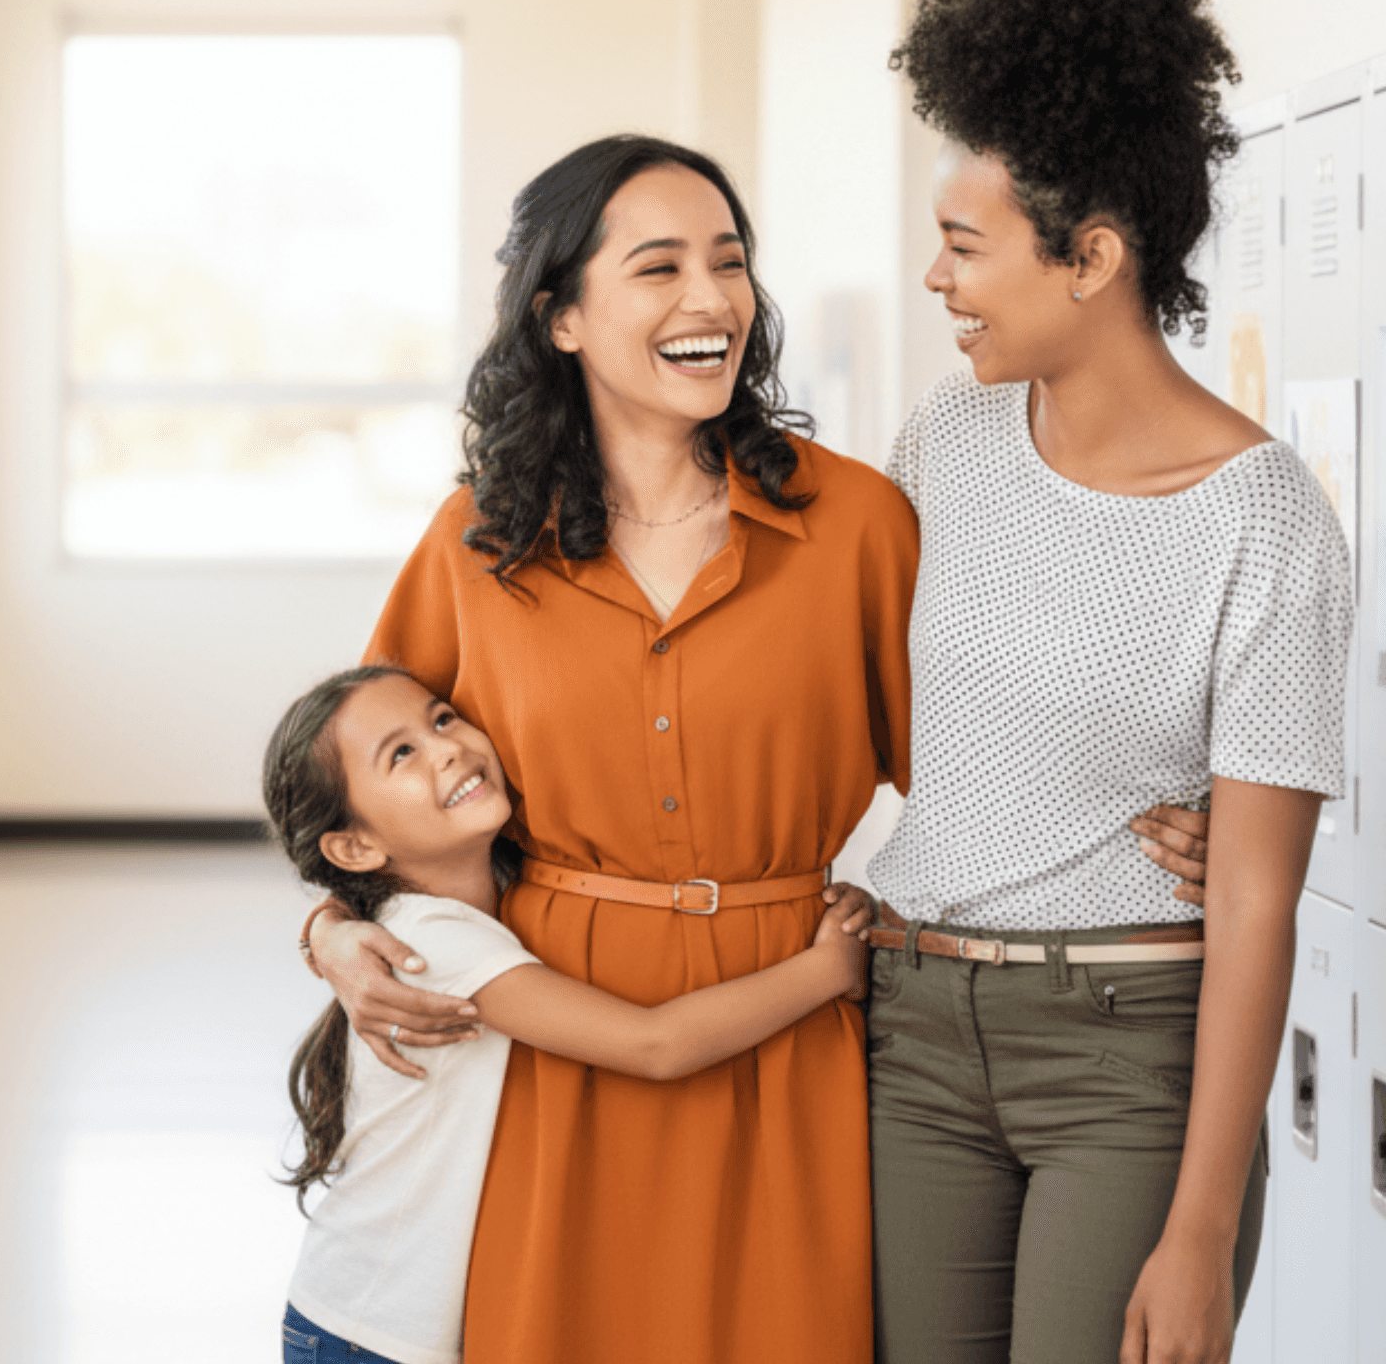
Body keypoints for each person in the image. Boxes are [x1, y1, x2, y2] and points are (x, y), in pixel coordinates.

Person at [302, 132, 1214, 1363]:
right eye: (658, 267)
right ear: (560, 317)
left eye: (729, 263)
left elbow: (981, 744)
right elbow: (366, 784)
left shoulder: (854, 523)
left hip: (797, 1026)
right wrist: (330, 932)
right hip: (565, 1046)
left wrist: (1169, 821)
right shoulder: (478, 541)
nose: (709, 299)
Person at [865, 0, 1353, 1364]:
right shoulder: (941, 442)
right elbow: (899, 728)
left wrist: (1201, 1232)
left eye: (964, 248)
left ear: (1092, 257)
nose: (939, 283)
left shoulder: (1262, 518)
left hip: (1128, 1054)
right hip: (915, 1031)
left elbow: (1258, 907)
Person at [266, 664, 875, 1364]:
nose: (449, 749)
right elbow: (655, 1045)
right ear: (354, 847)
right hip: (367, 1332)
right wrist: (826, 968)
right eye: (401, 754)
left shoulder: (495, 897)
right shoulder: (432, 945)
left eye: (442, 719)